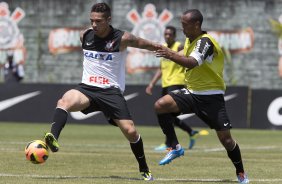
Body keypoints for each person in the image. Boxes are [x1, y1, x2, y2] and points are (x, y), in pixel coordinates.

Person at [43, 2, 162, 181]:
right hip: (87, 89)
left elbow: (144, 43)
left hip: (110, 92)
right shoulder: (85, 35)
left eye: (98, 21)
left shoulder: (123, 38)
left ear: (108, 20)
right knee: (63, 102)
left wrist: (165, 50)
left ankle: (144, 168)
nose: (94, 24)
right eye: (92, 20)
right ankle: (52, 137)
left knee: (130, 131)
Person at [155, 9, 249, 183]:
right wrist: (169, 52)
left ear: (196, 25)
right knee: (160, 105)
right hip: (191, 93)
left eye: (185, 25)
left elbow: (192, 62)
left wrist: (170, 54)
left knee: (226, 140)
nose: (182, 28)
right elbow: (185, 55)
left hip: (211, 97)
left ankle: (241, 173)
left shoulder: (205, 42)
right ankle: (175, 147)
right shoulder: (190, 39)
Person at [145, 26, 198, 151]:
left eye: (170, 34)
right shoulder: (163, 48)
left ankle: (169, 143)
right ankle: (189, 132)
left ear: (174, 36)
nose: (167, 36)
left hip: (176, 82)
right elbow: (161, 69)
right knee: (168, 115)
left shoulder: (179, 47)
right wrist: (152, 83)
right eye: (166, 34)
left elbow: (188, 60)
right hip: (166, 84)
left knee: (167, 114)